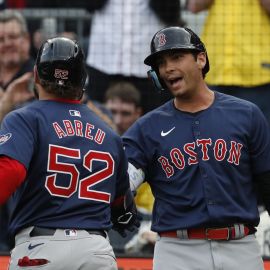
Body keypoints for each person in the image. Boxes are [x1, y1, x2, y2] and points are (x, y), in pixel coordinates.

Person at [122, 26, 270, 270]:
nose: (168, 67)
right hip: (177, 251)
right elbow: (120, 181)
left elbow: (267, 183)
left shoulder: (247, 115)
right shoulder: (147, 128)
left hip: (240, 247)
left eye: (177, 57)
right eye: (161, 62)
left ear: (201, 59)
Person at [0, 37, 140, 269]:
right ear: (82, 81)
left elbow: (9, 172)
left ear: (36, 75)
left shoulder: (25, 118)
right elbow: (123, 208)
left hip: (41, 247)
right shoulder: (109, 133)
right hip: (97, 251)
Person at [86, 0, 185, 114]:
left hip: (149, 66)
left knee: (156, 123)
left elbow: (171, 13)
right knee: (98, 125)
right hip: (104, 62)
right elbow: (89, 5)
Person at [187, 0, 270, 124]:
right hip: (216, 68)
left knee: (258, 135)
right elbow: (193, 6)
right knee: (215, 135)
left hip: (256, 72)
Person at [0, 9, 35, 252]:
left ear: (26, 39)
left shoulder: (40, 73)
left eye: (13, 37)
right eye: (1, 39)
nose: (7, 44)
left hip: (30, 172)